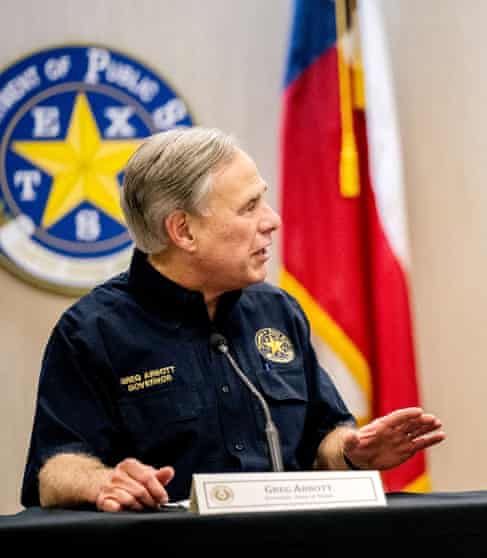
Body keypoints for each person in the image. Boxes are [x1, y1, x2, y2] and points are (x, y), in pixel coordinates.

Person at [21, 127, 445, 512]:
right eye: (249, 207)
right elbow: (54, 468)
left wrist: (353, 451)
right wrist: (102, 481)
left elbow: (323, 438)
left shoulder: (278, 311)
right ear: (183, 231)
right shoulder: (92, 330)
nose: (272, 221)